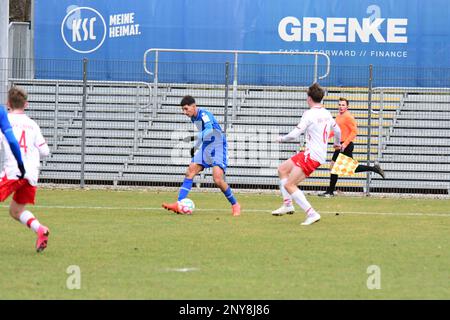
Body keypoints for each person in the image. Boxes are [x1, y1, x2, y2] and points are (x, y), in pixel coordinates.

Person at [271, 83, 341, 225]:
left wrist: (282, 139)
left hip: (312, 155)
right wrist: (337, 144)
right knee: (282, 169)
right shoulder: (326, 113)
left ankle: (312, 213)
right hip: (313, 153)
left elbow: (295, 134)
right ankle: (288, 205)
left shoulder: (309, 114)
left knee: (290, 185)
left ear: (309, 98)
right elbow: (338, 130)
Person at [162, 95, 241, 216]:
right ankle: (178, 204)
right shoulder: (193, 117)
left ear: (194, 106)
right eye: (183, 109)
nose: (184, 112)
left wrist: (193, 138)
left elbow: (209, 130)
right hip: (207, 146)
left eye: (186, 109)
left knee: (217, 179)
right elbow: (203, 133)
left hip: (218, 145)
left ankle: (235, 205)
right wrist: (197, 145)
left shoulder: (204, 114)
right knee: (190, 171)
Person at [0, 86, 50, 252]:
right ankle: (40, 230)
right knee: (16, 211)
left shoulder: (5, 121)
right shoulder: (33, 125)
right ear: (26, 104)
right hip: (31, 175)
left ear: (8, 103)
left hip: (14, 172)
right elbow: (45, 152)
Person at [319, 97, 385, 197]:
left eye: (343, 105)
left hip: (346, 146)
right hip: (340, 146)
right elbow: (337, 131)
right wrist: (326, 136)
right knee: (340, 168)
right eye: (340, 105)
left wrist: (344, 144)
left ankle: (330, 192)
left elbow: (354, 132)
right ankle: (330, 191)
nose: (341, 107)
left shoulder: (348, 117)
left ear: (347, 107)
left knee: (338, 167)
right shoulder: (338, 117)